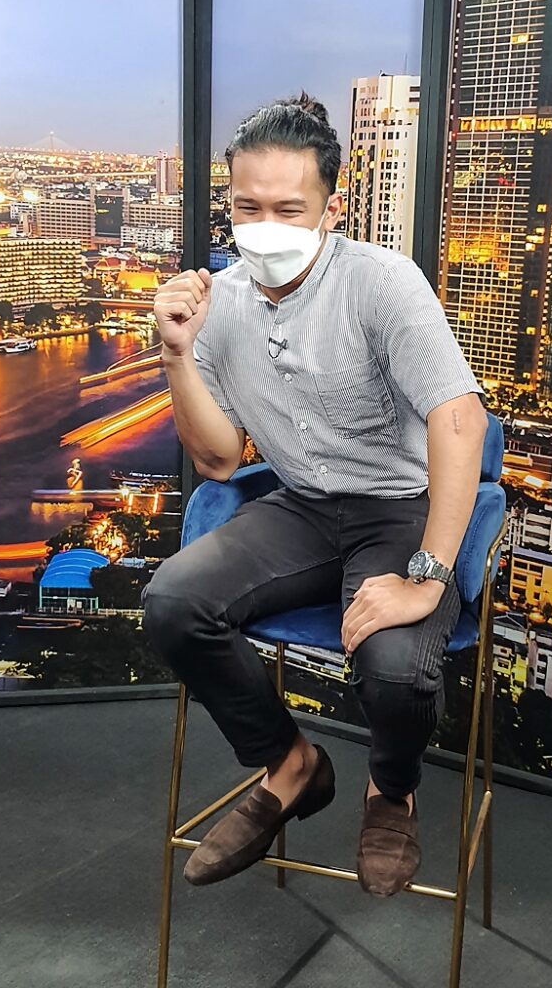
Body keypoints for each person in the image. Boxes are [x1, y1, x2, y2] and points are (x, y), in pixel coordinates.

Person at [143, 92, 488, 898]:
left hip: (399, 507)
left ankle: (390, 790)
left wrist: (425, 575)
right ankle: (290, 763)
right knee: (172, 604)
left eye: (288, 209)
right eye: (247, 207)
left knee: (394, 670)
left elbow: (460, 420)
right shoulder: (218, 302)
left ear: (332, 209)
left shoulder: (381, 283)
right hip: (300, 505)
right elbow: (219, 460)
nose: (264, 226)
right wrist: (176, 356)